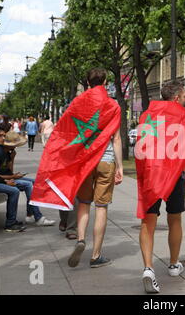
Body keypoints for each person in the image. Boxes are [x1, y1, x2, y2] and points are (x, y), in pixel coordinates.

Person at [136, 81, 185, 293]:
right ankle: (173, 264)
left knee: (148, 220)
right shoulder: (183, 116)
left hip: (151, 172)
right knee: (175, 218)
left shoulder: (147, 115)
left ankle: (148, 268)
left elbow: (141, 145)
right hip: (173, 174)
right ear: (177, 97)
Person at [67, 68, 124, 269]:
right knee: (101, 206)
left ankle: (80, 239)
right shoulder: (113, 105)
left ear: (87, 83)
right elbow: (116, 138)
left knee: (83, 202)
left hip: (85, 161)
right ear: (106, 81)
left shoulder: (78, 103)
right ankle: (96, 255)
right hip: (106, 159)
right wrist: (120, 166)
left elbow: (69, 133)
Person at [0, 131, 55, 226]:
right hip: (1, 180)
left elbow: (9, 171)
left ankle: (30, 214)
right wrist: (13, 177)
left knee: (35, 182)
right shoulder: (0, 153)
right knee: (28, 185)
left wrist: (12, 159)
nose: (16, 146)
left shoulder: (8, 153)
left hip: (9, 177)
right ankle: (38, 217)